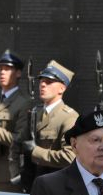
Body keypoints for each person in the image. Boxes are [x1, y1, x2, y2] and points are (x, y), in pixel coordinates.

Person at [20, 60, 78, 188]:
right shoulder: (35, 112)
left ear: (62, 88)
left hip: (56, 185)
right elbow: (19, 143)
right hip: (31, 182)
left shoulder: (69, 117)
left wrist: (36, 151)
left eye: (49, 82)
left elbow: (70, 157)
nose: (43, 85)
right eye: (41, 81)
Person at [0, 49, 33, 192]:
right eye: (0, 69)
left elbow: (20, 139)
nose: (2, 72)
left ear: (18, 73)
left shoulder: (24, 103)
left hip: (7, 172)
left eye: (7, 69)